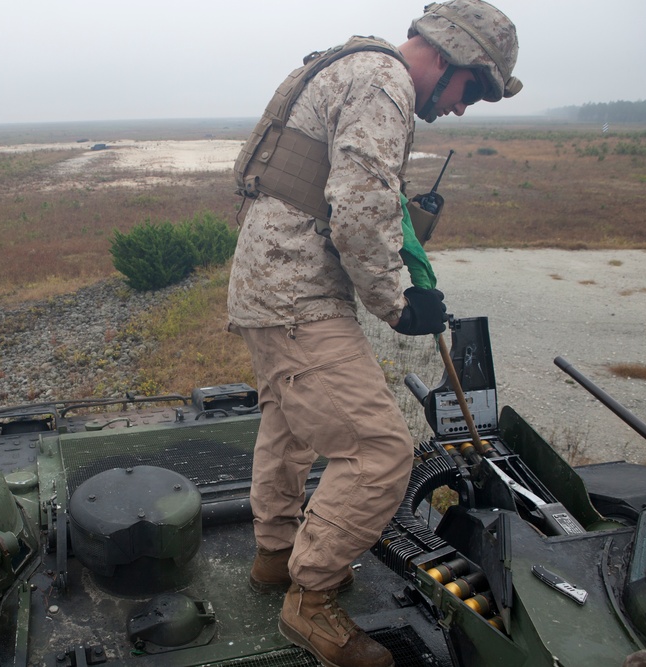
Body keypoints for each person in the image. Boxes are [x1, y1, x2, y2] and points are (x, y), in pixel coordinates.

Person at [227, 2, 522, 666]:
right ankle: (310, 600)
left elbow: (352, 196)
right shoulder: (385, 80)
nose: (465, 106)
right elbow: (359, 212)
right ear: (445, 56)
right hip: (297, 293)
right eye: (473, 87)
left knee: (289, 423)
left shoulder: (355, 65)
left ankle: (277, 554)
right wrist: (400, 303)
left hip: (267, 285)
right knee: (380, 450)